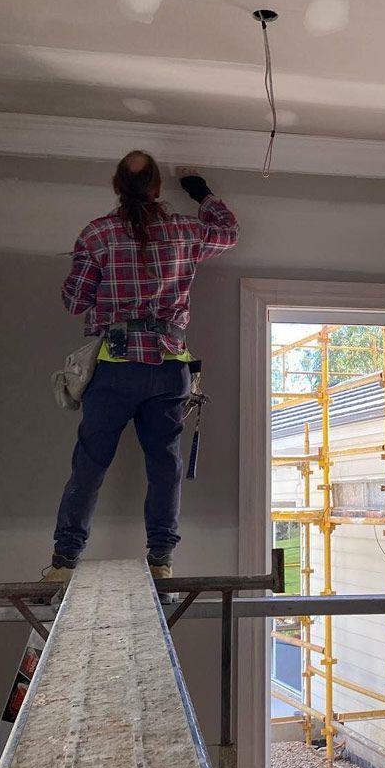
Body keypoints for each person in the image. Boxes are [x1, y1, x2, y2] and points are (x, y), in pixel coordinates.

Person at [43, 150, 239, 587]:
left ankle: (64, 561)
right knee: (164, 465)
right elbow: (229, 232)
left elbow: (74, 301)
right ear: (156, 188)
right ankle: (160, 559)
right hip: (170, 368)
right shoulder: (185, 230)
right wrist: (200, 192)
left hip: (115, 367)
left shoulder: (98, 235)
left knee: (90, 464)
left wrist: (97, 281)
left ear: (116, 186)